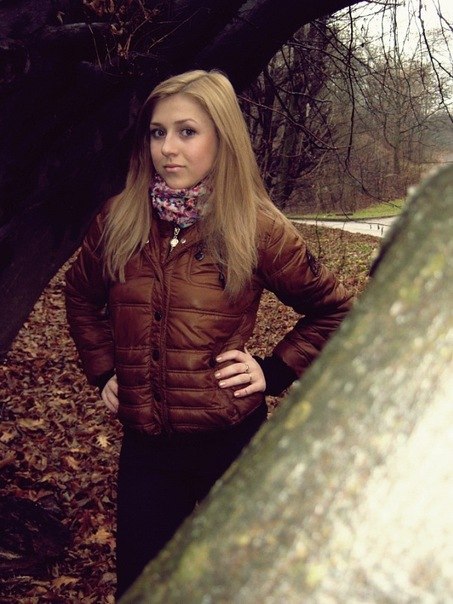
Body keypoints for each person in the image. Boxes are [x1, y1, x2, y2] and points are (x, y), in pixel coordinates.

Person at [65, 69, 354, 598]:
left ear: (222, 138)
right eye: (158, 132)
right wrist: (103, 370)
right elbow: (80, 296)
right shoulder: (118, 220)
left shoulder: (257, 226)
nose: (168, 148)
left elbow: (336, 312)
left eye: (187, 132)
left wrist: (273, 371)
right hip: (148, 449)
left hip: (230, 442)